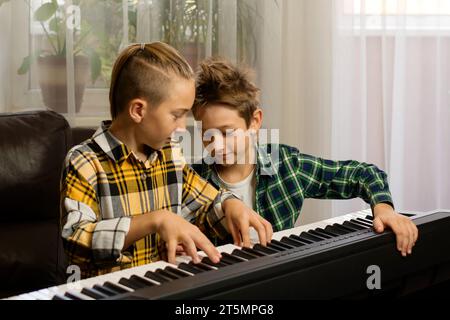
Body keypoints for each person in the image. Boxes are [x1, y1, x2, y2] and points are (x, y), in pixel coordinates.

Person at [60, 43, 273, 279]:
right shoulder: (84, 162)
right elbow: (76, 240)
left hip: (167, 288)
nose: (183, 128)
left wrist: (230, 205)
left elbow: (205, 202)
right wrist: (156, 220)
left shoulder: (169, 154)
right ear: (138, 111)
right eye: (177, 115)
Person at [191, 57, 418, 257]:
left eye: (227, 132)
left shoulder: (287, 165)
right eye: (207, 133)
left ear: (254, 122)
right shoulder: (192, 179)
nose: (217, 145)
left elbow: (363, 174)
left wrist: (384, 209)